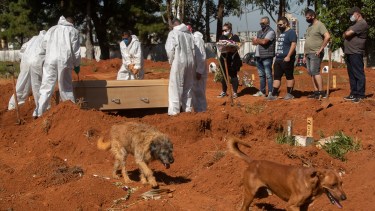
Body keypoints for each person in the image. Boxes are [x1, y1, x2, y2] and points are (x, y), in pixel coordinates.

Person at [35, 16, 81, 117]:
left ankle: (39, 113)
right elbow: (76, 51)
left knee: (46, 87)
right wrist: (77, 64)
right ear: (72, 23)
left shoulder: (52, 29)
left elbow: (43, 45)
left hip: (50, 60)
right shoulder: (73, 31)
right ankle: (70, 113)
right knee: (65, 87)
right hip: (64, 61)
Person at [8, 30, 46, 117]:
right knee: (38, 87)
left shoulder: (33, 39)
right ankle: (42, 110)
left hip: (25, 62)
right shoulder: (47, 39)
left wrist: (24, 59)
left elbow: (22, 50)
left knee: (22, 85)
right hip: (37, 63)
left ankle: (12, 106)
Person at [165, 19, 195, 116]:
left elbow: (170, 49)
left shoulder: (173, 33)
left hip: (179, 60)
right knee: (188, 85)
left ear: (173, 25)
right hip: (190, 61)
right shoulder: (189, 34)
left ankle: (174, 111)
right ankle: (187, 108)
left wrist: (171, 61)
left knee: (175, 86)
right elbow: (193, 48)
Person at [343, 6, 369, 103]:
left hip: (356, 52)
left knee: (358, 73)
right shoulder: (355, 24)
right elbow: (345, 34)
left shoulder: (362, 23)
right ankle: (353, 93)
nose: (351, 16)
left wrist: (346, 33)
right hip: (350, 52)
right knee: (352, 74)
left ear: (357, 14)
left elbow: (347, 34)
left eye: (352, 14)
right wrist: (346, 33)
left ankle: (360, 94)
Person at [267, 17, 297, 100]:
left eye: (280, 24)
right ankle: (273, 94)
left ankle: (289, 94)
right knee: (276, 77)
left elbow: (293, 44)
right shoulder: (282, 33)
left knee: (289, 76)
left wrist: (288, 56)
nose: (279, 26)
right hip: (278, 59)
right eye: (278, 25)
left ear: (286, 23)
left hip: (287, 59)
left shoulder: (291, 32)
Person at [303, 9, 331, 99]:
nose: (306, 19)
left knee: (315, 72)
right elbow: (307, 40)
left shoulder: (320, 25)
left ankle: (321, 91)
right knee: (311, 72)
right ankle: (316, 92)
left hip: (315, 52)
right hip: (308, 53)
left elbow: (327, 36)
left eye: (308, 17)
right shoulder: (309, 27)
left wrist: (321, 49)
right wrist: (304, 55)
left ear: (313, 16)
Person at [252, 16, 276, 97]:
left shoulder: (271, 32)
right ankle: (262, 91)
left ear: (268, 23)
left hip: (267, 56)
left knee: (268, 74)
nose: (261, 24)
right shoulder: (259, 32)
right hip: (258, 56)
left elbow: (264, 41)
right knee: (261, 75)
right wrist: (256, 40)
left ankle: (270, 92)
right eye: (260, 23)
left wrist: (257, 40)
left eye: (263, 23)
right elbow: (254, 43)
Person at [217, 22, 242, 99]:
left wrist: (231, 48)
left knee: (233, 75)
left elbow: (237, 46)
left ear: (230, 29)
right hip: (224, 58)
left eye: (225, 30)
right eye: (223, 30)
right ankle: (224, 91)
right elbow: (220, 47)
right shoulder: (222, 37)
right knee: (224, 76)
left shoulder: (235, 37)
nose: (224, 31)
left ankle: (235, 92)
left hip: (233, 60)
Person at [190, 26, 207, 112]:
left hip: (199, 71)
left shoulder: (197, 40)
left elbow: (201, 57)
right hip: (195, 70)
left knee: (200, 91)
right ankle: (198, 110)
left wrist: (199, 71)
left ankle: (202, 110)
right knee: (195, 91)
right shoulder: (191, 39)